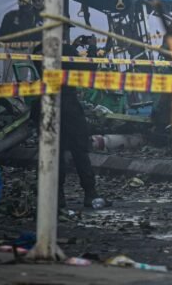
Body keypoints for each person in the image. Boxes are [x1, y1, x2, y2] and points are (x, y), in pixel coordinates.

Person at [31, 26, 107, 210]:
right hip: (68, 107)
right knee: (79, 150)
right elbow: (88, 68)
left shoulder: (38, 50)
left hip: (46, 105)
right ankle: (90, 194)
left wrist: (72, 46)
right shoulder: (67, 51)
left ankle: (58, 198)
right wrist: (92, 48)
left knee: (54, 153)